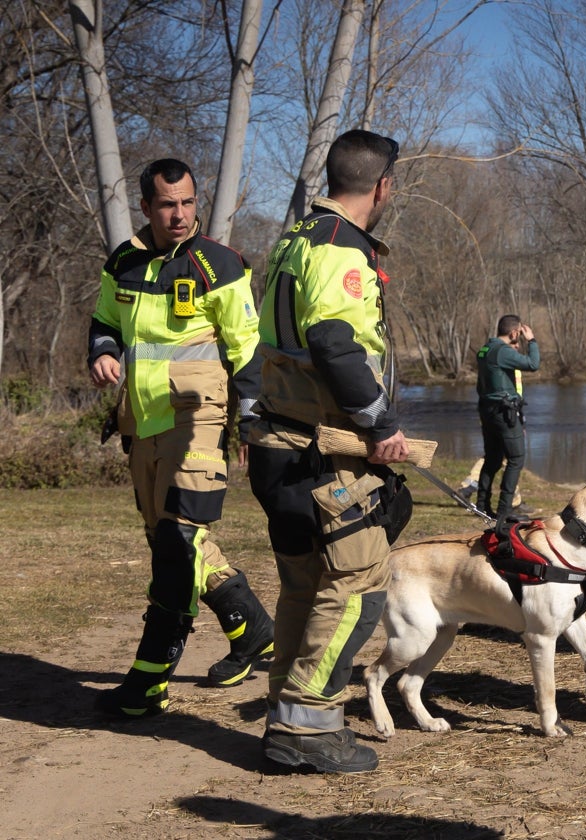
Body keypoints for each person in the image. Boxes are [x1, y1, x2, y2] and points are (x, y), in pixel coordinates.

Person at [87, 158, 274, 718]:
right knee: (169, 539)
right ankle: (252, 628)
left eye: (188, 202)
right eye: (167, 204)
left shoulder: (218, 263)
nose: (179, 214)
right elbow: (104, 323)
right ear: (145, 207)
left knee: (175, 544)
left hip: (197, 421)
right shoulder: (122, 263)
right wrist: (101, 351)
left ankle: (148, 680)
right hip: (139, 423)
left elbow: (246, 347)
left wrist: (254, 422)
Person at [249, 129, 410, 773]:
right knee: (359, 588)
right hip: (322, 453)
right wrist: (379, 424)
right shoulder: (343, 248)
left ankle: (285, 717)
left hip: (276, 444)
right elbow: (336, 344)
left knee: (303, 586)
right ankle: (310, 726)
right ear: (382, 186)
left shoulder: (295, 238)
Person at [475, 315, 540, 521]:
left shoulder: (486, 349)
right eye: (519, 334)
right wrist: (532, 341)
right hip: (504, 412)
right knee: (516, 458)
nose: (519, 337)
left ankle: (482, 504)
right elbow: (532, 364)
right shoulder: (502, 351)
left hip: (487, 410)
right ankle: (505, 510)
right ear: (514, 333)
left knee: (493, 459)